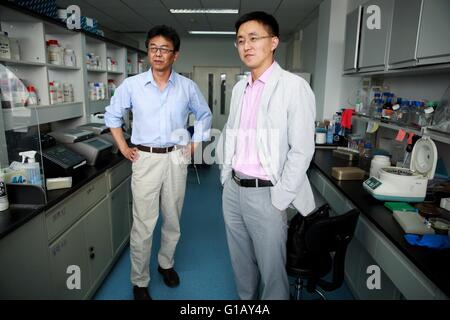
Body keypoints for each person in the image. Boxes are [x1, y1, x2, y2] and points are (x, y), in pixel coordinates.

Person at [104, 25, 212, 300]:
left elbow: (204, 115)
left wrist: (194, 145)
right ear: (147, 52)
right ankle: (139, 281)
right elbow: (112, 116)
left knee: (173, 218)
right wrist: (123, 146)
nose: (158, 53)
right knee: (143, 223)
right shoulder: (132, 85)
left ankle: (166, 264)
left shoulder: (187, 87)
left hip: (176, 157)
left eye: (164, 49)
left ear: (175, 54)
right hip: (145, 158)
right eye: (153, 48)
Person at [219, 11, 316, 300]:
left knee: (272, 272)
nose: (246, 46)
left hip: (268, 193)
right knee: (241, 263)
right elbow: (230, 134)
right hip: (234, 190)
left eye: (253, 38)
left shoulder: (293, 87)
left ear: (273, 42)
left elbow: (302, 149)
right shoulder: (239, 88)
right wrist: (225, 179)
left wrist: (281, 198)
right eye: (240, 41)